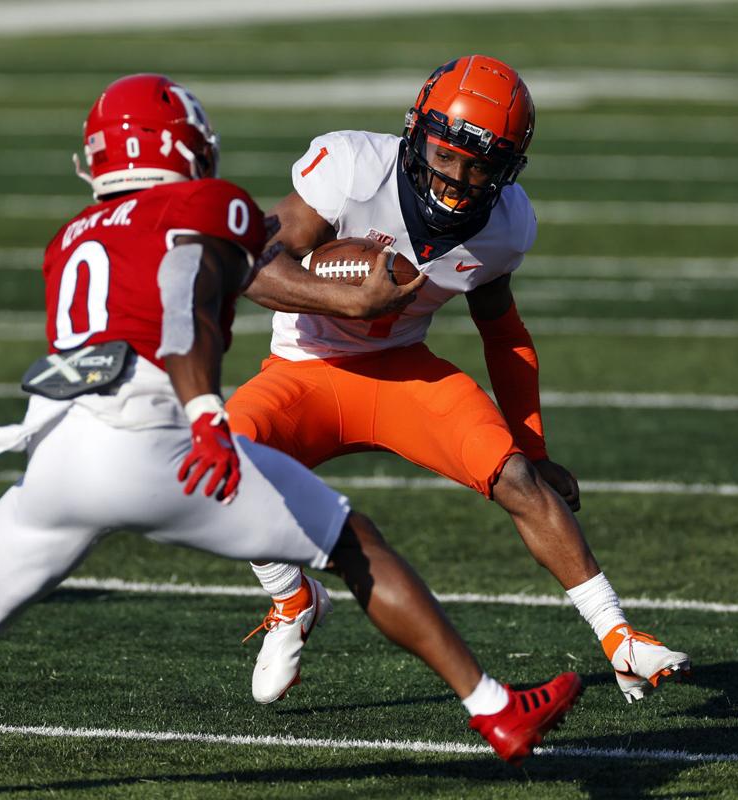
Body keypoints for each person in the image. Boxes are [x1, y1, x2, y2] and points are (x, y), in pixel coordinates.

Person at [0, 73, 583, 800]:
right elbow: (195, 309)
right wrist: (209, 411)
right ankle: (495, 709)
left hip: (61, 457)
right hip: (163, 444)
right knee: (353, 541)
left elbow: (86, 350)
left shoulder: (70, 239)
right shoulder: (211, 206)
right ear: (184, 145)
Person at [229, 55, 692, 706]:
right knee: (218, 459)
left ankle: (619, 638)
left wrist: (534, 448)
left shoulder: (504, 226)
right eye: (447, 155)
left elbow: (503, 332)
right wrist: (347, 302)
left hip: (400, 373)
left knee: (517, 480)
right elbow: (248, 265)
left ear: (506, 172)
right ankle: (292, 596)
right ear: (417, 133)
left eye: (481, 167)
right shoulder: (353, 169)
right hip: (306, 368)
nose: (457, 180)